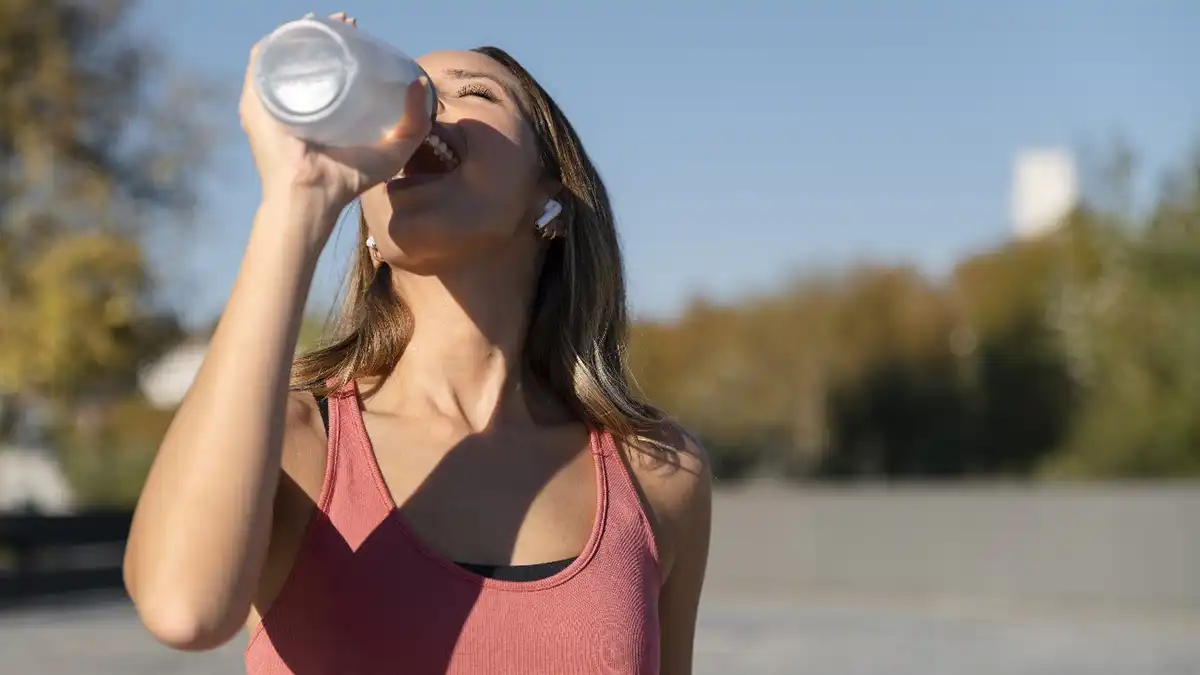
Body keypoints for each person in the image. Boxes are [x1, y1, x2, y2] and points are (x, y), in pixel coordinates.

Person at [124, 12, 711, 675]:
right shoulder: (297, 442)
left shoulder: (657, 471)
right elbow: (183, 609)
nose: (422, 109)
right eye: (408, 90)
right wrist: (298, 201)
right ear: (370, 233)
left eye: (474, 92)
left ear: (552, 201)